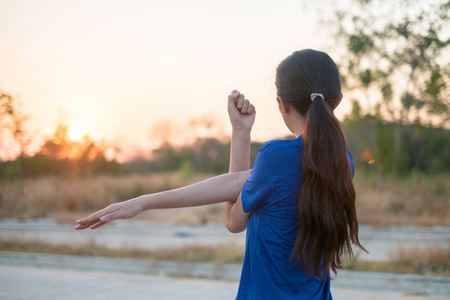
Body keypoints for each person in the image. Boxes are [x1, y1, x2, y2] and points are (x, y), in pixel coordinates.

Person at [75, 49, 366, 299]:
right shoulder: (343, 162)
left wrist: (144, 201)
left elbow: (233, 220)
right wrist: (241, 132)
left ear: (281, 104)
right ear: (337, 101)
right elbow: (241, 183)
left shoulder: (275, 158)